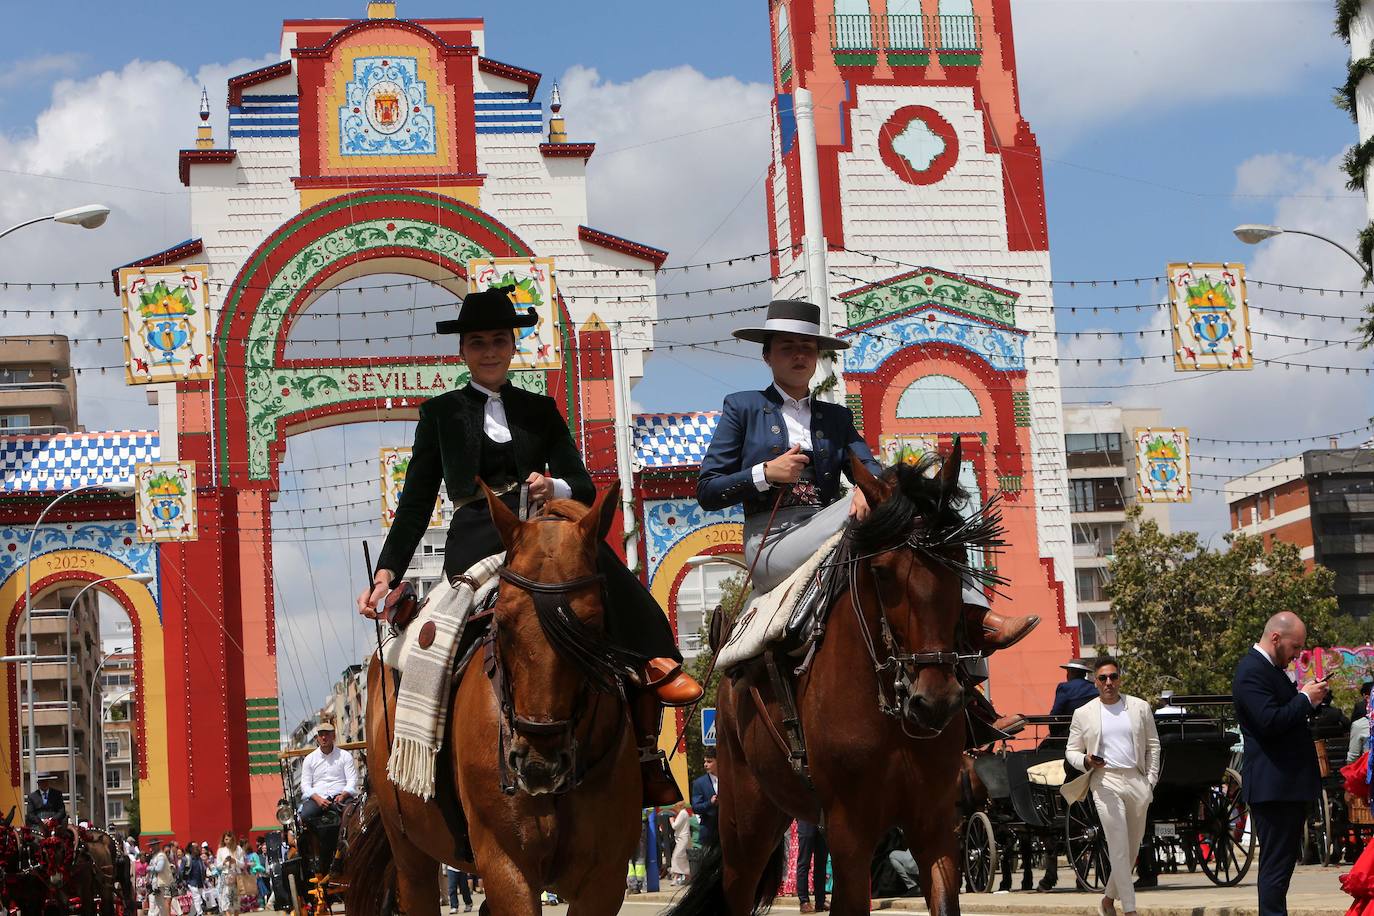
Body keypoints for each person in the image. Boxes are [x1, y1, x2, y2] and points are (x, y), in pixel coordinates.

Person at [357, 286, 701, 805]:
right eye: (478, 342)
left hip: (542, 530)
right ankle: (432, 758)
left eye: (499, 340)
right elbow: (414, 505)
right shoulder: (440, 414)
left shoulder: (540, 409)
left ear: (513, 346)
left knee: (599, 568)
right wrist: (387, 573)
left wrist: (552, 487)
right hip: (477, 537)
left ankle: (653, 674)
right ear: (463, 351)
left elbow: (582, 487)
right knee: (437, 639)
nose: (489, 351)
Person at [695, 300, 1038, 730]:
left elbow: (873, 471)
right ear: (767, 355)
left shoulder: (835, 417)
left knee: (924, 533)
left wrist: (872, 488)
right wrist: (766, 473)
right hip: (773, 544)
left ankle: (974, 660)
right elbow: (708, 490)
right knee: (874, 507)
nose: (799, 356)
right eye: (787, 348)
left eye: (807, 348)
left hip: (830, 535)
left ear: (817, 357)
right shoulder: (743, 407)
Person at [1231, 611, 1329, 916]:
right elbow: (1269, 721)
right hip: (1273, 787)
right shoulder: (1252, 671)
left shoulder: (1270, 670)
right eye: (1295, 646)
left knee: (1282, 868)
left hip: (1286, 785)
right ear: (1276, 638)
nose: (1297, 654)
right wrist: (1303, 699)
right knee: (1275, 869)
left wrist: (1312, 698)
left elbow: (1286, 714)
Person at [1065, 656, 1160, 916]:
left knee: (1131, 848)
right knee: (1117, 845)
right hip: (1104, 780)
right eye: (1103, 678)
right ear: (1095, 682)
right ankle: (1130, 909)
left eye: (1113, 677)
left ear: (1120, 679)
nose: (1109, 682)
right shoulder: (1083, 713)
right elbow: (1071, 751)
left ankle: (1108, 899)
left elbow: (1153, 746)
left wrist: (1150, 781)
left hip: (1137, 780)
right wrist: (1086, 760)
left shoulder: (1139, 707)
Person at [299, 721, 357, 830]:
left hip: (340, 797)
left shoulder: (345, 756)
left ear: (333, 736)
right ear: (317, 738)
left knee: (353, 812)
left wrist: (343, 795)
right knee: (305, 815)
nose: (324, 738)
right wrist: (318, 799)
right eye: (321, 735)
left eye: (327, 734)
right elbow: (305, 785)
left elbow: (352, 780)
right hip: (317, 798)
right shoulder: (309, 759)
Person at [795, 820, 828, 913]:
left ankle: (820, 901)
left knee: (821, 864)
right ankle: (804, 901)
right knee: (804, 863)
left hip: (821, 823)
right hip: (806, 821)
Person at [690, 750, 719, 848]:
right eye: (705, 761)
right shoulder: (699, 783)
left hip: (730, 832)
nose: (705, 765)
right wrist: (710, 803)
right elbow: (695, 808)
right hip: (709, 834)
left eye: (709, 761)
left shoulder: (729, 778)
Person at [216, 831, 243, 915]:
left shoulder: (238, 849)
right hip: (225, 877)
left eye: (229, 839)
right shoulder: (221, 850)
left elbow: (242, 864)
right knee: (225, 900)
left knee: (236, 901)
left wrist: (235, 861)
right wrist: (224, 862)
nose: (228, 841)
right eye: (226, 839)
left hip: (236, 877)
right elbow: (218, 866)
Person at [147, 840, 175, 916]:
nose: (152, 847)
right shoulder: (155, 856)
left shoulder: (161, 856)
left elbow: (159, 868)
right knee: (159, 906)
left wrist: (149, 868)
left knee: (163, 905)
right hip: (157, 884)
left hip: (163, 883)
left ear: (157, 845)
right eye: (151, 845)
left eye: (154, 845)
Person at [182, 841, 208, 915]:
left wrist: (204, 880)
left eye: (197, 847)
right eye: (195, 847)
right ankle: (200, 913)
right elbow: (181, 871)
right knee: (197, 898)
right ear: (191, 848)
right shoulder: (186, 859)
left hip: (200, 882)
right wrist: (184, 881)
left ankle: (192, 913)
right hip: (191, 882)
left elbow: (202, 870)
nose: (197, 848)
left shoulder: (199, 858)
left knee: (197, 899)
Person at [669, 801, 692, 885]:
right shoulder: (684, 813)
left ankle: (676, 877)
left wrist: (671, 820)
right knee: (683, 858)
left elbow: (675, 826)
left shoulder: (682, 813)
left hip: (682, 838)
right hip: (683, 838)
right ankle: (687, 876)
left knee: (676, 857)